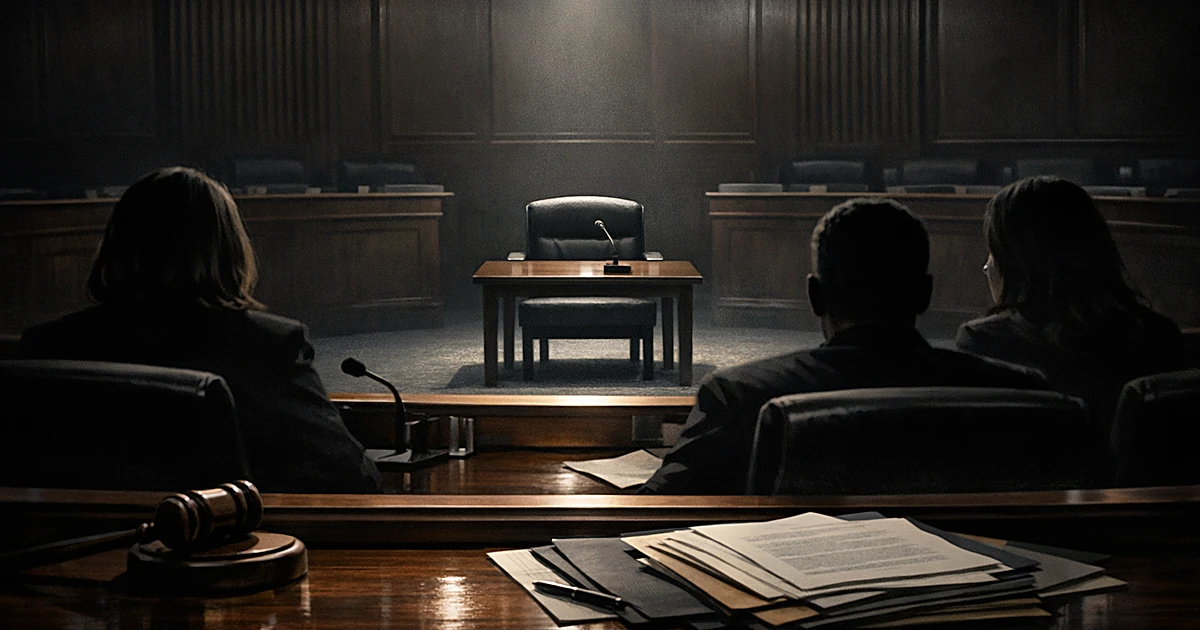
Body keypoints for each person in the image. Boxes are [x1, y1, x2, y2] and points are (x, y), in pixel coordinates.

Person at [640, 198, 1048, 495]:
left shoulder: (740, 395)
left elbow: (653, 510)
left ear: (815, 296)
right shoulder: (1024, 397)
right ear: (925, 294)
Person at [19, 166, 382, 494]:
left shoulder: (46, 345)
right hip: (219, 556)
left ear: (117, 243)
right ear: (229, 249)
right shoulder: (268, 346)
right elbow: (351, 478)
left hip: (71, 555)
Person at [956, 176, 1186, 444]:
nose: (987, 266)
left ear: (1017, 262)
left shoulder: (984, 342)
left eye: (993, 251)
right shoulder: (1161, 335)